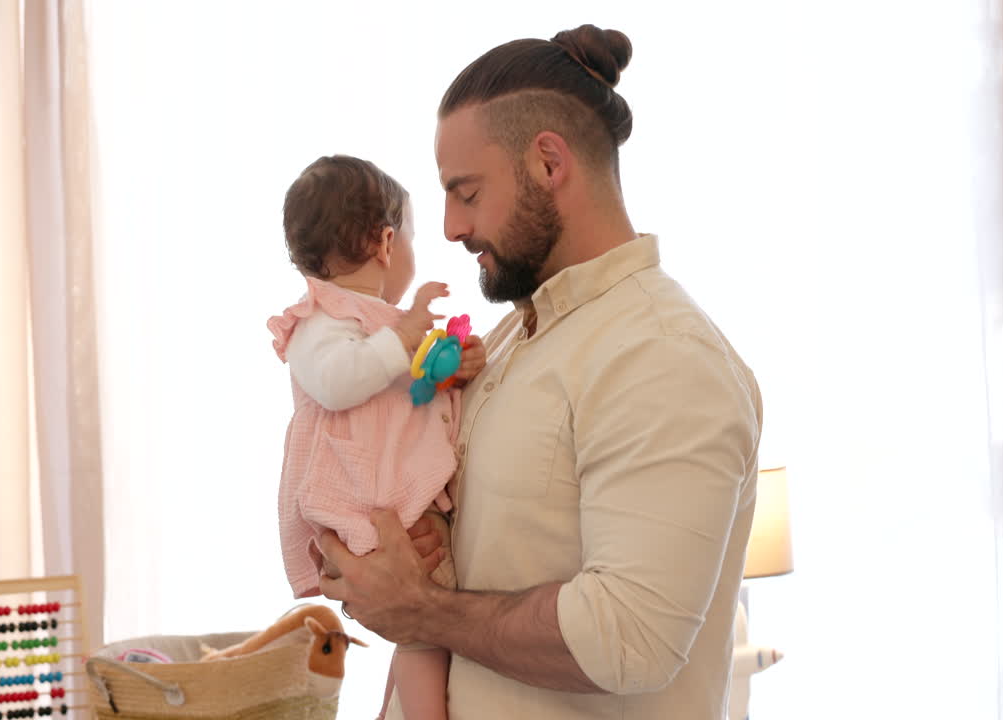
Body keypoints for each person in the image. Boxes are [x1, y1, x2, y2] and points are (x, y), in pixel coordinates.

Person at [318, 24, 763, 720]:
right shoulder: (510, 343)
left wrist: (421, 609)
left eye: (465, 192)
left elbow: (630, 636)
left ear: (549, 163)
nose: (449, 228)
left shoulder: (662, 356)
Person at [267, 155, 486, 720]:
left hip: (399, 494)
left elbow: (407, 394)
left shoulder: (379, 322)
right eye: (410, 236)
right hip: (366, 503)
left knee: (435, 618)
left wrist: (448, 367)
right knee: (423, 630)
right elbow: (341, 384)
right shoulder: (318, 321)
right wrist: (406, 336)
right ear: (387, 243)